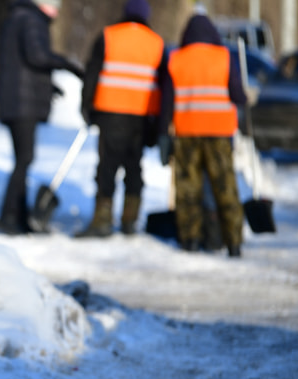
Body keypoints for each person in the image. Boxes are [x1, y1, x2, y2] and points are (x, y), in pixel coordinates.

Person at [158, 13, 246, 257]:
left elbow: (167, 102)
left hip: (187, 133)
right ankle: (233, 243)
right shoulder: (224, 57)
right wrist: (245, 102)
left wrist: (163, 135)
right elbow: (237, 94)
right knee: (225, 186)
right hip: (219, 134)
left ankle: (191, 240)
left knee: (188, 189)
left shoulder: (176, 59)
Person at [77, 0, 166, 237]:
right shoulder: (156, 43)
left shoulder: (109, 35)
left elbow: (92, 72)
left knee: (107, 167)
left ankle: (102, 220)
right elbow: (162, 84)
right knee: (133, 167)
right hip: (140, 117)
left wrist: (86, 106)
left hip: (110, 113)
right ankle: (130, 220)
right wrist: (158, 124)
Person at [0, 0, 84, 235]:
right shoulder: (31, 20)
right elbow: (37, 56)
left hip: (16, 98)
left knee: (23, 158)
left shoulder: (19, 17)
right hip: (21, 102)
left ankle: (17, 216)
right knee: (24, 158)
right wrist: (67, 64)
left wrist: (48, 86)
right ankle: (10, 217)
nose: (57, 10)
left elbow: (21, 64)